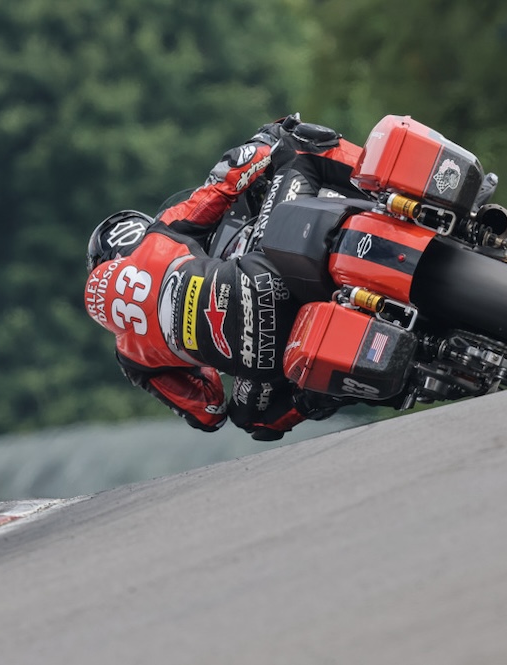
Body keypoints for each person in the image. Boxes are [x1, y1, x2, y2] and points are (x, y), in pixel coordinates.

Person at [84, 115, 364, 440]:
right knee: (298, 147)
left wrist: (194, 348)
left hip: (264, 362)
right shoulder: (161, 235)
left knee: (252, 419)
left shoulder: (131, 357)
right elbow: (226, 181)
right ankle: (382, 183)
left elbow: (210, 412)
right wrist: (268, 138)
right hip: (267, 273)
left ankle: (339, 385)